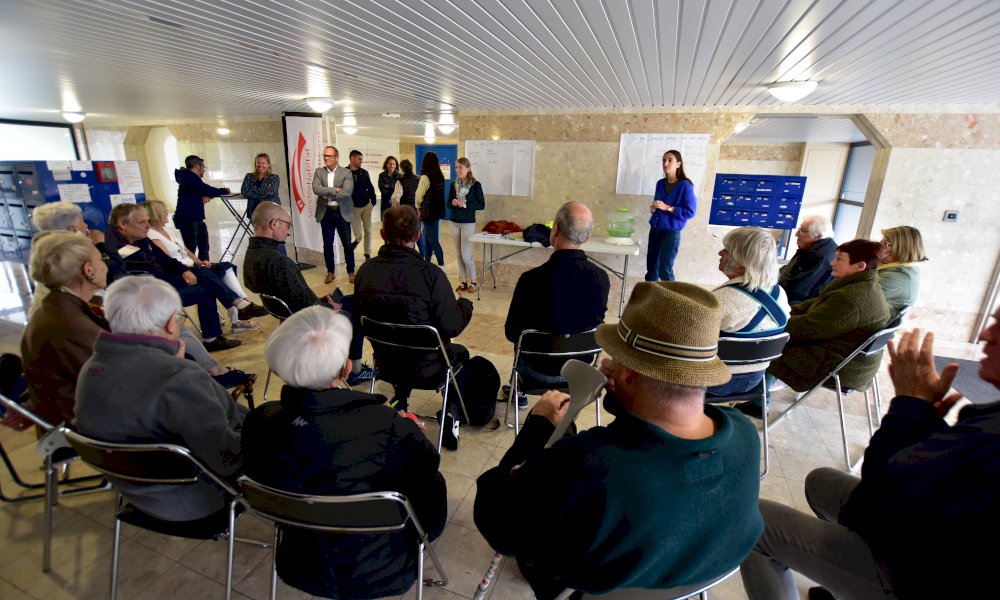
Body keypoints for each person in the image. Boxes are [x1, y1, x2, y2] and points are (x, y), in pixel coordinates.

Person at [475, 281, 763, 599]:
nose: (605, 365)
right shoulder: (744, 435)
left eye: (615, 357)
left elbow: (495, 516)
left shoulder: (590, 466)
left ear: (628, 374)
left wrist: (538, 428)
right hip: (686, 579)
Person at [741, 319, 1000, 599]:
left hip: (923, 576)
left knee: (753, 523)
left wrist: (909, 408)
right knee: (822, 482)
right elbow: (951, 473)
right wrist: (925, 421)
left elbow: (883, 488)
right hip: (925, 534)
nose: (986, 333)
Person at [241, 306, 447, 598]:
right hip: (386, 568)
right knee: (433, 482)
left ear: (277, 368)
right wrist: (408, 432)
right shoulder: (385, 423)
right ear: (345, 369)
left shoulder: (259, 421)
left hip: (300, 563)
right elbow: (427, 467)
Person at [74, 275, 248, 522]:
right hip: (194, 498)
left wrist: (173, 367)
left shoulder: (91, 367)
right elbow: (228, 459)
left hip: (134, 490)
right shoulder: (178, 377)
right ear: (170, 324)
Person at [29, 202, 253, 390]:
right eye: (100, 260)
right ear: (88, 270)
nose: (88, 228)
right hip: (123, 403)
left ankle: (211, 371)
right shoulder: (69, 318)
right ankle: (208, 373)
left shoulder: (65, 301)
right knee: (170, 324)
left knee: (184, 307)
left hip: (142, 309)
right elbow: (121, 274)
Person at [353, 205, 473, 446]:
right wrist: (465, 305)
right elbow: (451, 327)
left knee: (402, 340)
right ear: (418, 235)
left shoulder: (365, 272)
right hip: (428, 370)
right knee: (460, 353)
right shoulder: (431, 275)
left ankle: (400, 400)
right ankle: (451, 414)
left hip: (386, 364)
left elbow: (359, 317)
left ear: (383, 235)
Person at [243, 202, 373, 386]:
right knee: (357, 314)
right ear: (274, 224)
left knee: (353, 300)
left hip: (286, 313)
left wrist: (320, 300)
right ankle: (355, 372)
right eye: (287, 225)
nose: (288, 232)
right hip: (305, 318)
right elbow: (306, 306)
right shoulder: (279, 262)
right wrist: (329, 306)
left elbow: (289, 295)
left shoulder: (251, 254)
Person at [761, 240, 891, 415]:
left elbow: (807, 329)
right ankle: (759, 397)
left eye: (839, 259)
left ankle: (758, 401)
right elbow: (813, 305)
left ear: (860, 266)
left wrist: (770, 320)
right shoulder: (862, 286)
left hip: (839, 367)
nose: (832, 262)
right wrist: (781, 310)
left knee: (766, 346)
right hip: (849, 361)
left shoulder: (851, 298)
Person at [104, 203, 258, 352]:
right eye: (142, 222)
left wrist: (183, 270)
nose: (147, 226)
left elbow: (163, 258)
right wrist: (181, 273)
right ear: (122, 224)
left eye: (147, 221)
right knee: (203, 284)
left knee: (204, 280)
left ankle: (215, 335)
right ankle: (232, 311)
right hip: (150, 295)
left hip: (162, 282)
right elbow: (151, 268)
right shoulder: (117, 247)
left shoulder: (140, 238)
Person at [504, 201, 610, 400]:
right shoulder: (601, 278)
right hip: (581, 370)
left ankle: (518, 391)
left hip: (536, 371)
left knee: (522, 338)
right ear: (587, 237)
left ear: (555, 230)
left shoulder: (531, 279)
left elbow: (511, 333)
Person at [21, 232, 108, 426]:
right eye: (101, 259)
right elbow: (114, 383)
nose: (105, 265)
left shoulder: (57, 305)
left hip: (80, 410)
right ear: (89, 270)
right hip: (93, 426)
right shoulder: (69, 324)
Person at [145, 199, 260, 333]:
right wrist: (193, 266)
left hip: (194, 266)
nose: (167, 214)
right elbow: (168, 259)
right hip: (183, 272)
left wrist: (200, 261)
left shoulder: (165, 231)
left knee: (225, 268)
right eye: (164, 211)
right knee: (212, 280)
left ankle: (241, 305)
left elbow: (186, 251)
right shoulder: (151, 235)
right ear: (156, 214)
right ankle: (239, 313)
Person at [708, 227, 790, 401]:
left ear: (741, 267)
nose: (720, 253)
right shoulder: (780, 294)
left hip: (715, 381)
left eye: (727, 251)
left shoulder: (721, 300)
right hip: (755, 381)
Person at [646, 150, 696, 282]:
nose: (665, 163)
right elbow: (658, 205)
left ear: (678, 164)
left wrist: (668, 208)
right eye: (663, 160)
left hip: (671, 232)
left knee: (665, 270)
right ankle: (651, 300)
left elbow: (690, 212)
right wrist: (653, 208)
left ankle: (671, 301)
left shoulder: (685, 185)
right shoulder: (660, 183)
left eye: (669, 160)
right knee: (651, 270)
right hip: (655, 229)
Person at [173, 155, 230, 262]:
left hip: (195, 218)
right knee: (191, 249)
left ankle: (205, 270)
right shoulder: (188, 176)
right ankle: (193, 272)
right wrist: (224, 191)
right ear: (197, 166)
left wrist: (207, 195)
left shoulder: (189, 177)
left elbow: (202, 191)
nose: (204, 170)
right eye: (203, 167)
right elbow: (206, 189)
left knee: (204, 247)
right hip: (188, 220)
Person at [312, 146, 356, 284]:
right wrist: (335, 190)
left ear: (337, 157)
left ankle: (351, 272)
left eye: (329, 156)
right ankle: (330, 272)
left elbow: (347, 192)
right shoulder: (319, 172)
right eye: (325, 155)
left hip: (342, 213)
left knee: (347, 244)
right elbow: (316, 189)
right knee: (327, 244)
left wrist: (327, 194)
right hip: (326, 214)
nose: (326, 158)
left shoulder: (346, 172)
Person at [778, 216, 837, 305]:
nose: (796, 234)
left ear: (818, 235)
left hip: (795, 305)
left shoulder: (822, 257)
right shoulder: (810, 248)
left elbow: (799, 291)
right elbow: (790, 270)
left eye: (802, 230)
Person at [447, 157, 485, 292]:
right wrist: (452, 203)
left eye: (460, 167)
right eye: (456, 167)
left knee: (466, 255)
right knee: (458, 254)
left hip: (468, 223)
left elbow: (481, 205)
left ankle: (473, 281)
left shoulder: (476, 185)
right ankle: (462, 281)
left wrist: (466, 204)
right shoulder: (454, 184)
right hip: (454, 221)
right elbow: (448, 203)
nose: (457, 170)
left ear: (468, 169)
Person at [877, 225, 927, 315]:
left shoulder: (898, 277)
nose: (879, 248)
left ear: (902, 248)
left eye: (886, 244)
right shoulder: (900, 269)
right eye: (881, 243)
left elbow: (854, 297)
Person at [415, 151, 446, 265]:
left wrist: (418, 208)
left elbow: (419, 196)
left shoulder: (425, 177)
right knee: (428, 240)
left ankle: (441, 264)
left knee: (433, 241)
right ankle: (426, 263)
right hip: (437, 212)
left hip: (428, 213)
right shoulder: (440, 176)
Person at [348, 150, 378, 262]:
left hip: (366, 206)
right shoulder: (344, 172)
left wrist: (373, 202)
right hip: (353, 208)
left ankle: (367, 254)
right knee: (358, 233)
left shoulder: (364, 173)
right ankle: (356, 241)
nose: (361, 161)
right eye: (359, 159)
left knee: (368, 231)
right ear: (352, 158)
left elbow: (370, 188)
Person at [240, 152, 280, 219]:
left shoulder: (274, 177)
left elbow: (270, 193)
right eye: (258, 162)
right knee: (257, 230)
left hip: (271, 211)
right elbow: (244, 191)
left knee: (270, 229)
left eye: (263, 163)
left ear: (268, 165)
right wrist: (264, 190)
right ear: (255, 164)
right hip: (253, 211)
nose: (260, 165)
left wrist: (252, 190)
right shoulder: (249, 176)